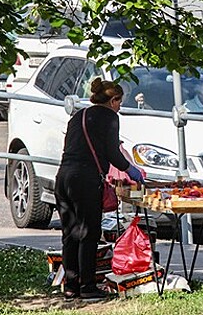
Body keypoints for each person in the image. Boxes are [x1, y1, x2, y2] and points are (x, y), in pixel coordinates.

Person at [55, 77, 144, 300]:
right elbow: (113, 153)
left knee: (70, 233)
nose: (120, 106)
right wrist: (131, 169)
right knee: (89, 232)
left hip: (64, 176)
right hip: (85, 179)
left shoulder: (79, 115)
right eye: (119, 101)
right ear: (113, 100)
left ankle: (71, 285)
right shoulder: (109, 117)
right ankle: (87, 286)